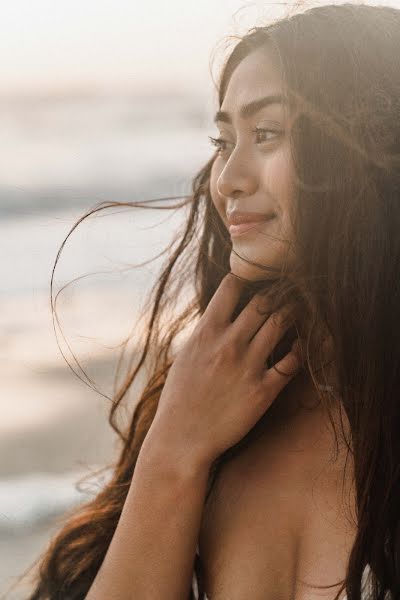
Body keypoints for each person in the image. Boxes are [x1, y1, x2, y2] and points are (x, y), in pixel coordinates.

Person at [21, 2, 400, 599]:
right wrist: (174, 451)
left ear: (369, 145)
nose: (227, 179)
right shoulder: (213, 404)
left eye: (267, 134)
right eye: (224, 141)